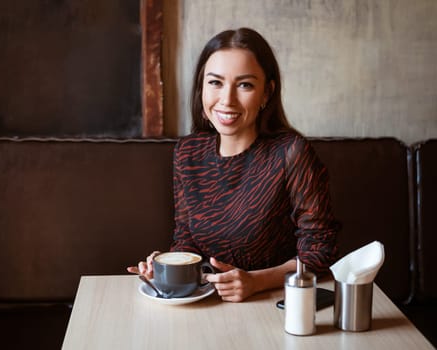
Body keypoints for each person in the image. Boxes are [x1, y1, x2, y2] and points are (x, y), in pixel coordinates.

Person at [128, 27, 339, 302]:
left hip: (277, 304)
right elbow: (186, 241)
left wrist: (256, 282)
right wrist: (167, 268)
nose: (226, 100)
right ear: (201, 87)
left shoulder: (291, 152)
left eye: (245, 85)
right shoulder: (187, 153)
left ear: (266, 93)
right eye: (215, 82)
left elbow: (322, 250)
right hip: (209, 305)